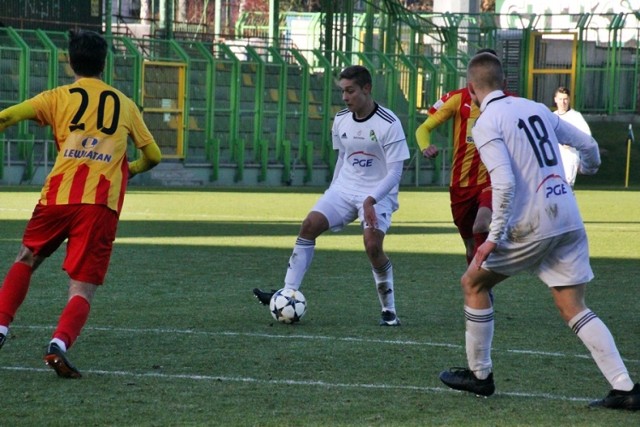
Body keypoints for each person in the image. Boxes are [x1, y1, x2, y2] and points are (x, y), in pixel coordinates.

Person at [438, 52, 640, 411]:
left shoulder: (486, 122)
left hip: (533, 223)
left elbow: (502, 183)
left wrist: (492, 239)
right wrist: (590, 169)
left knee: (473, 283)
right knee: (572, 305)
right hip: (567, 215)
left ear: (471, 89)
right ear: (504, 82)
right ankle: (624, 388)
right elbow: (588, 147)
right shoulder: (537, 108)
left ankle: (480, 376)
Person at [0, 30, 161, 378]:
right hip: (100, 203)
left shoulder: (57, 97)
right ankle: (58, 343)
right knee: (81, 287)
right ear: (104, 64)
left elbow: (7, 117)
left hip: (57, 197)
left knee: (26, 258)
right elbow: (154, 155)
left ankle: (0, 328)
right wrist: (128, 169)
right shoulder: (125, 104)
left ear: (70, 62)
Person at [253, 65, 410, 326]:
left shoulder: (389, 123)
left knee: (373, 247)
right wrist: (332, 191)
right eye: (342, 92)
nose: (345, 97)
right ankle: (287, 292)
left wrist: (371, 199)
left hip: (377, 192)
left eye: (350, 91)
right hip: (344, 189)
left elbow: (395, 172)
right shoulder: (341, 119)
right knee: (309, 225)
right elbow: (342, 158)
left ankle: (389, 310)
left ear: (367, 89)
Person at [415, 49, 498, 267]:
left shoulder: (508, 101)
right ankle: (479, 280)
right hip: (461, 184)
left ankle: (482, 280)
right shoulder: (457, 99)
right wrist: (425, 147)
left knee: (481, 225)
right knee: (470, 245)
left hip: (492, 180)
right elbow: (423, 129)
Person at [553, 86, 592, 187]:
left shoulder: (576, 117)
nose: (563, 102)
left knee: (566, 187)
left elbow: (587, 137)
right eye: (560, 99)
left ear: (569, 100)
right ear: (555, 100)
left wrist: (571, 143)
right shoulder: (552, 116)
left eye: (565, 99)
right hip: (554, 158)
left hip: (569, 157)